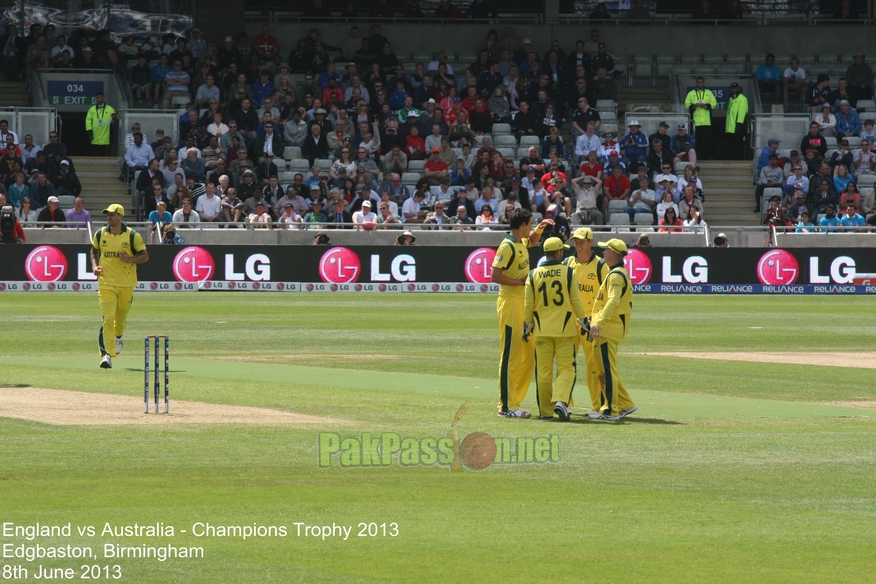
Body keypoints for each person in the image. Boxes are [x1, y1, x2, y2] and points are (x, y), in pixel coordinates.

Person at [491, 208, 554, 419]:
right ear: (522, 225)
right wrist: (520, 282)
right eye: (530, 224)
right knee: (511, 354)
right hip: (510, 303)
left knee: (527, 353)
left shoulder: (521, 242)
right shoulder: (507, 246)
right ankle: (506, 406)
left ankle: (515, 400)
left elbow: (532, 241)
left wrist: (541, 227)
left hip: (524, 303)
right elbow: (495, 275)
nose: (531, 228)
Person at [522, 236, 589, 421]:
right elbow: (576, 300)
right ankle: (560, 400)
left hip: (542, 330)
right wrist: (584, 321)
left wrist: (527, 326)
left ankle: (545, 412)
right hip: (565, 330)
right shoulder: (568, 272)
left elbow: (528, 304)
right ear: (559, 252)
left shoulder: (532, 274)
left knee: (543, 372)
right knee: (567, 368)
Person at [90, 204, 148, 369]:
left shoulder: (132, 236)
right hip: (106, 283)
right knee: (107, 319)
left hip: (126, 283)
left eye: (113, 215)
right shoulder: (100, 233)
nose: (109, 217)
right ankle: (106, 355)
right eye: (108, 214)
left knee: (120, 320)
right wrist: (95, 266)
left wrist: (129, 259)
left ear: (121, 216)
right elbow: (93, 250)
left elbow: (144, 256)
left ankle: (119, 334)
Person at [562, 227, 610, 418]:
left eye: (582, 240)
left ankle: (597, 407)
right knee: (566, 364)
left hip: (590, 324)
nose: (578, 244)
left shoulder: (600, 266)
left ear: (591, 242)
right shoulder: (568, 263)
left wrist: (598, 321)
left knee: (594, 367)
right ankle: (565, 402)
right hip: (570, 322)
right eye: (575, 240)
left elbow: (607, 296)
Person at [588, 238, 636, 420]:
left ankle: (611, 410)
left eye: (605, 250)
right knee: (608, 369)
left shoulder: (616, 275)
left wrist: (599, 322)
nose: (603, 253)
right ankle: (625, 404)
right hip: (608, 327)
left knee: (606, 370)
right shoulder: (616, 273)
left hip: (608, 329)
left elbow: (613, 301)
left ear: (613, 253)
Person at [684, 77, 716, 160]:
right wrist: (694, 106)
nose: (700, 84)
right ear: (696, 83)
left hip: (707, 121)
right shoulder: (691, 93)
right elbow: (686, 104)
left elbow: (714, 103)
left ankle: (708, 156)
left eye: (701, 82)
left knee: (708, 140)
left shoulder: (709, 92)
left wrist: (705, 106)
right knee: (697, 140)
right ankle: (699, 156)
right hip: (696, 121)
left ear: (704, 83)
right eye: (698, 82)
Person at [725, 82, 749, 160]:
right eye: (732, 88)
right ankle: (734, 158)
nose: (733, 89)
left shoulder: (742, 98)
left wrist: (738, 125)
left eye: (735, 88)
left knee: (739, 145)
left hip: (739, 127)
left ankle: (739, 159)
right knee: (733, 145)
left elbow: (742, 112)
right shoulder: (731, 98)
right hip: (731, 128)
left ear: (738, 88)